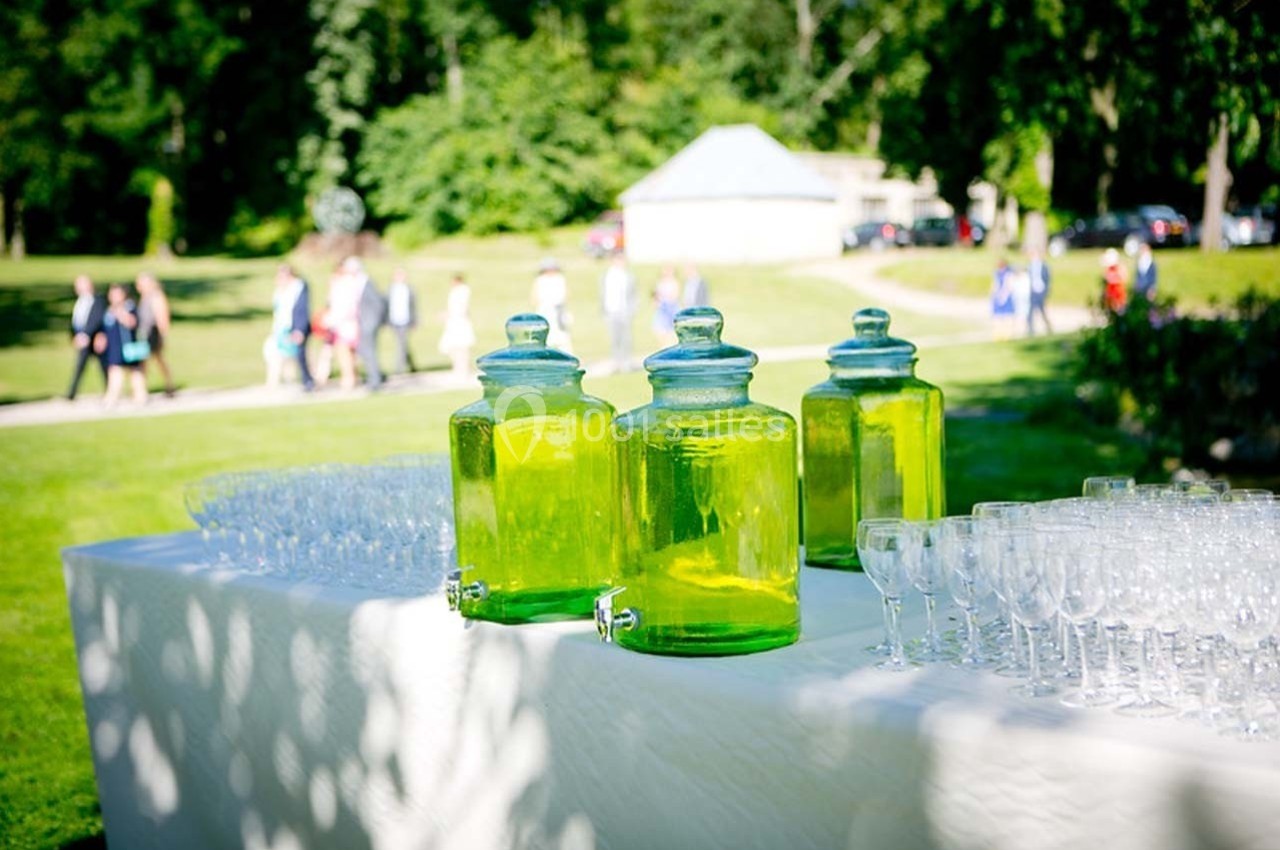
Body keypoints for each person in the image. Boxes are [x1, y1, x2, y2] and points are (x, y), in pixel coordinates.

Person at [264, 264, 314, 390]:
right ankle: (276, 382)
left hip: (295, 327)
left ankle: (308, 381)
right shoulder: (279, 291)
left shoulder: (298, 289)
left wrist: (299, 329)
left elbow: (302, 310)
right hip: (281, 328)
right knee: (275, 353)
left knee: (299, 355)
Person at [101, 283, 148, 408]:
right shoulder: (108, 310)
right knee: (115, 372)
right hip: (114, 347)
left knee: (135, 372)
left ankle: (140, 396)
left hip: (128, 345)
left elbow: (132, 323)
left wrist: (120, 313)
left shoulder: (129, 307)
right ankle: (111, 397)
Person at [66, 274, 107, 400]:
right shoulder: (79, 302)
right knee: (80, 366)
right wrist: (75, 336)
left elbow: (97, 319)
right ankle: (71, 393)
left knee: (104, 366)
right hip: (82, 339)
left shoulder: (98, 300)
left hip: (95, 339)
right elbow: (75, 321)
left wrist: (87, 335)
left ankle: (110, 389)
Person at [135, 272, 175, 397]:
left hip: (153, 333)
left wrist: (163, 335)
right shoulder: (144, 297)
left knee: (156, 359)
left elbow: (162, 317)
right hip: (143, 333)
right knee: (143, 361)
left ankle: (168, 383)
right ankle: (141, 388)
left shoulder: (156, 297)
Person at [350, 257, 387, 390]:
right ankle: (376, 376)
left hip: (369, 323)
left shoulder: (366, 283)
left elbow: (378, 303)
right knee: (364, 350)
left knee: (369, 351)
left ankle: (375, 380)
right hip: (363, 323)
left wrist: (374, 322)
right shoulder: (358, 282)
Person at [327, 260, 362, 390]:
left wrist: (332, 321)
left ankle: (348, 379)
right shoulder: (352, 283)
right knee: (351, 353)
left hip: (344, 324)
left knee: (344, 352)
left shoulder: (342, 285)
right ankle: (353, 377)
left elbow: (340, 308)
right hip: (352, 323)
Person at [600, 255, 636, 372]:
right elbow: (603, 293)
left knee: (626, 337)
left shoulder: (628, 276)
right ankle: (616, 361)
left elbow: (633, 294)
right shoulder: (607, 276)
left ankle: (626, 362)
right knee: (614, 338)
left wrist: (632, 310)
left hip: (624, 311)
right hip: (611, 311)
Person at [438, 273, 475, 377]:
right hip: (454, 321)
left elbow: (460, 308)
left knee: (461, 345)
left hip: (459, 321)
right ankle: (459, 367)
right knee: (454, 345)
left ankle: (463, 368)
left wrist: (447, 315)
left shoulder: (462, 291)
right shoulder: (456, 292)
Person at [532, 258, 572, 352]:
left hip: (558, 310)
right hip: (545, 310)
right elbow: (534, 298)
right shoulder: (540, 280)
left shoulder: (560, 279)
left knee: (563, 338)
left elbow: (566, 295)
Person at [386, 267, 417, 374]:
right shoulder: (391, 289)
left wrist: (415, 321)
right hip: (394, 320)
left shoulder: (409, 289)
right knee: (402, 344)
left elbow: (413, 306)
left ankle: (399, 368)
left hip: (405, 320)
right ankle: (412, 365)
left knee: (401, 344)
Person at [1026, 249, 1053, 335]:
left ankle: (1048, 327)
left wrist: (1047, 292)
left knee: (1042, 311)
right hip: (1033, 291)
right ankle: (1030, 329)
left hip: (1041, 291)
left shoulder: (1044, 266)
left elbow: (1048, 280)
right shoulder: (1030, 266)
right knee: (1031, 311)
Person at [652, 267, 681, 346]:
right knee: (660, 329)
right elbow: (656, 296)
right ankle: (664, 345)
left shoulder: (674, 283)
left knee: (671, 330)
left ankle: (670, 345)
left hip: (670, 308)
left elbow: (675, 296)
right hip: (662, 309)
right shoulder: (660, 283)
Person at [990, 259, 1016, 339]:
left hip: (1006, 296)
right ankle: (998, 334)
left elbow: (1009, 286)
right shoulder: (996, 273)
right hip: (998, 297)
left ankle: (1008, 334)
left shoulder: (1008, 274)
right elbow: (995, 285)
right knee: (998, 317)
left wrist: (1004, 295)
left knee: (1008, 317)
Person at [1102, 248, 1129, 313]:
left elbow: (1124, 278)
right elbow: (1106, 278)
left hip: (1118, 293)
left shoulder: (1120, 268)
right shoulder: (1109, 268)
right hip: (1111, 293)